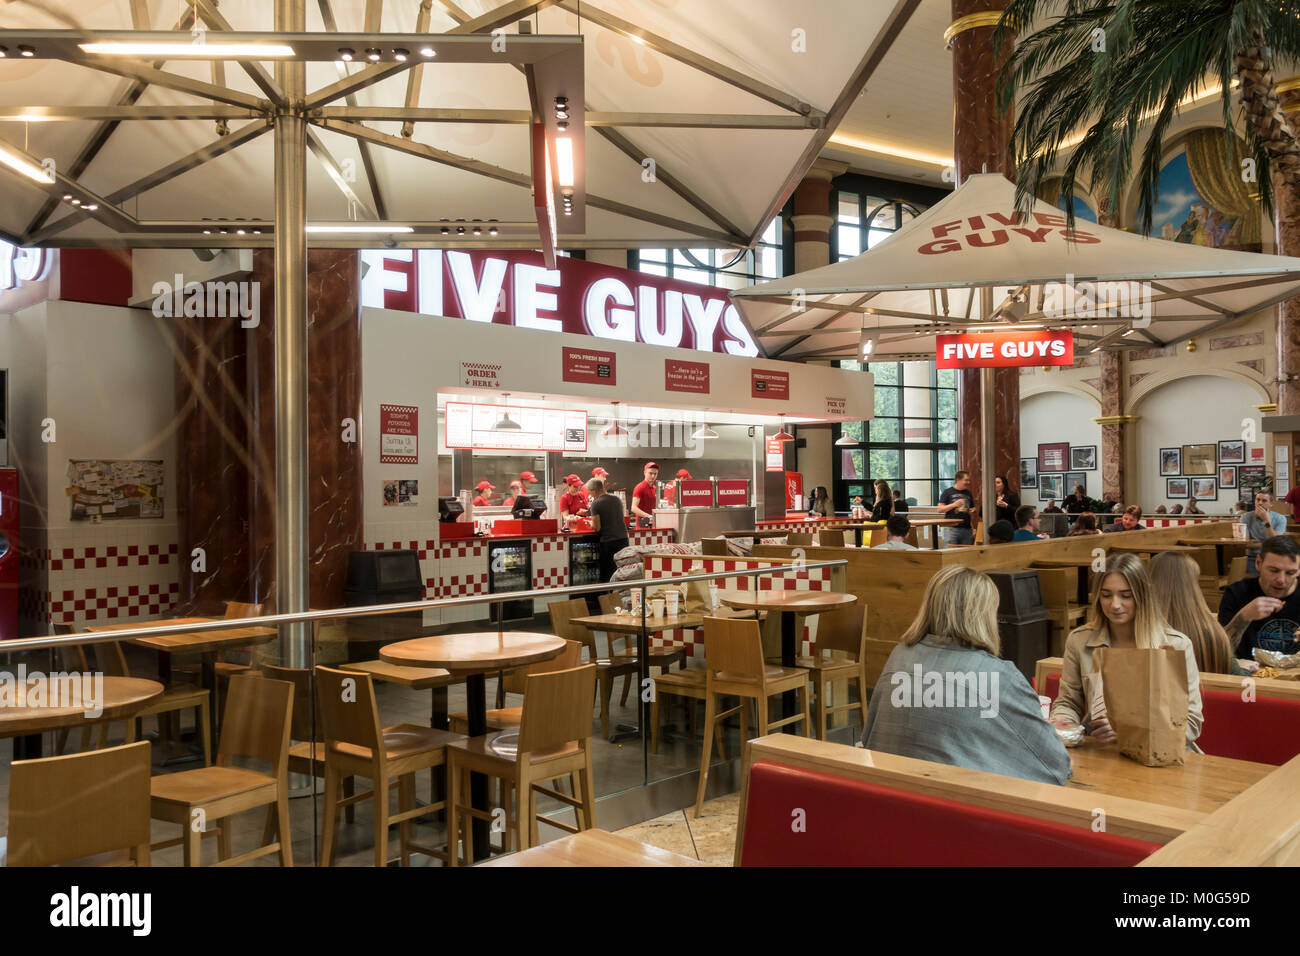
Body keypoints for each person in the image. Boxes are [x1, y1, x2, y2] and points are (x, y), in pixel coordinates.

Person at [862, 565, 1071, 785]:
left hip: (887, 803)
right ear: (985, 615)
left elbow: (869, 737)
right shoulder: (998, 676)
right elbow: (1055, 764)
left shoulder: (900, 656)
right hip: (955, 811)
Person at [1050, 553, 1204, 746]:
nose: (1115, 605)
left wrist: (1128, 730)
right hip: (1102, 754)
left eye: (1126, 596)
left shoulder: (1176, 645)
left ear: (1142, 596)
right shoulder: (1079, 641)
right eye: (1106, 595)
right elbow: (1068, 702)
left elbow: (1191, 723)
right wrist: (1063, 726)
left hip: (1160, 756)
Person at [1150, 552, 1249, 676]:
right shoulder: (1211, 632)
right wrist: (1242, 667)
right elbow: (1240, 679)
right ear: (1193, 586)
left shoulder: (1141, 630)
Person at [1218, 534, 1300, 657]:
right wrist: (1244, 616)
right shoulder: (1237, 593)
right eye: (1274, 570)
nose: (1281, 580)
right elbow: (1221, 651)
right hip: (1249, 672)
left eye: (1290, 573)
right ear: (1258, 563)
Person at [587, 478, 629, 582]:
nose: (591, 495)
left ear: (593, 490)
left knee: (607, 573)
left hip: (609, 542)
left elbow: (597, 527)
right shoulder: (617, 499)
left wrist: (589, 523)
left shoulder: (596, 504)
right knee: (622, 571)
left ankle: (606, 597)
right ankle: (620, 596)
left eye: (590, 492)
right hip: (623, 540)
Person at [1239, 490, 1287, 574]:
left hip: (1274, 556)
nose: (1260, 503)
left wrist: (1266, 521)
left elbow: (1276, 544)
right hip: (1252, 557)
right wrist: (1268, 544)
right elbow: (1245, 544)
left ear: (1271, 504)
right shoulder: (1245, 517)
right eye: (1258, 500)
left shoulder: (1280, 518)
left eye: (1264, 500)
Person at [937, 471, 975, 546]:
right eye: (966, 480)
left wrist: (972, 527)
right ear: (958, 480)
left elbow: (970, 512)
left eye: (969, 480)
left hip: (967, 529)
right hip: (951, 529)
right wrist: (954, 504)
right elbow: (940, 509)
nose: (968, 482)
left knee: (966, 554)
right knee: (950, 553)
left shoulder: (968, 493)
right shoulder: (947, 492)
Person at [631, 461, 659, 528]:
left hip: (652, 525)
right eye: (650, 473)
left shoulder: (655, 488)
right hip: (642, 526)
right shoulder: (639, 487)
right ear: (645, 473)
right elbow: (633, 508)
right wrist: (649, 516)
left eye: (655, 474)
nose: (653, 476)